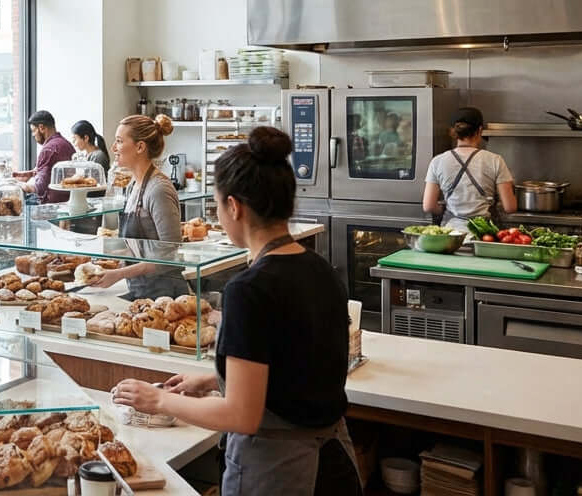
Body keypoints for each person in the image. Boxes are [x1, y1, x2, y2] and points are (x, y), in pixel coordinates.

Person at [112, 127, 361, 496]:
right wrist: (213, 380)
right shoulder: (320, 269)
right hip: (336, 464)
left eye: (217, 205)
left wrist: (159, 400)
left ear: (234, 207)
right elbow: (295, 365)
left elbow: (241, 414)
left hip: (278, 470)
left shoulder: (248, 290)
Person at [89, 115, 188, 299]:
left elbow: (170, 255)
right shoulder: (133, 185)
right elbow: (141, 247)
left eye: (119, 141)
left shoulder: (158, 189)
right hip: (141, 289)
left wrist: (118, 274)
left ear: (140, 147)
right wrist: (112, 260)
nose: (113, 148)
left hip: (165, 295)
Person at [423, 107, 516, 232]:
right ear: (480, 130)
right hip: (483, 234)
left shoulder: (437, 161)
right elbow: (510, 207)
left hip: (449, 234)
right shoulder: (495, 160)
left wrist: (443, 209)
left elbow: (428, 206)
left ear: (453, 131)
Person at [20, 110, 74, 203]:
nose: (33, 135)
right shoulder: (67, 145)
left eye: (33, 131)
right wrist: (33, 174)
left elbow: (39, 189)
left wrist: (16, 184)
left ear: (41, 128)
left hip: (52, 209)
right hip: (69, 204)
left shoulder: (48, 150)